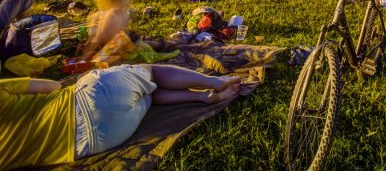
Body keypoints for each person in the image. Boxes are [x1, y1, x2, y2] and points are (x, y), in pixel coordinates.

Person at [0, 65, 240, 168]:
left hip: (100, 141)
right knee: (151, 74)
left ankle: (204, 98)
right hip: (91, 99)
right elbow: (51, 86)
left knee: (147, 97)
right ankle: (215, 83)